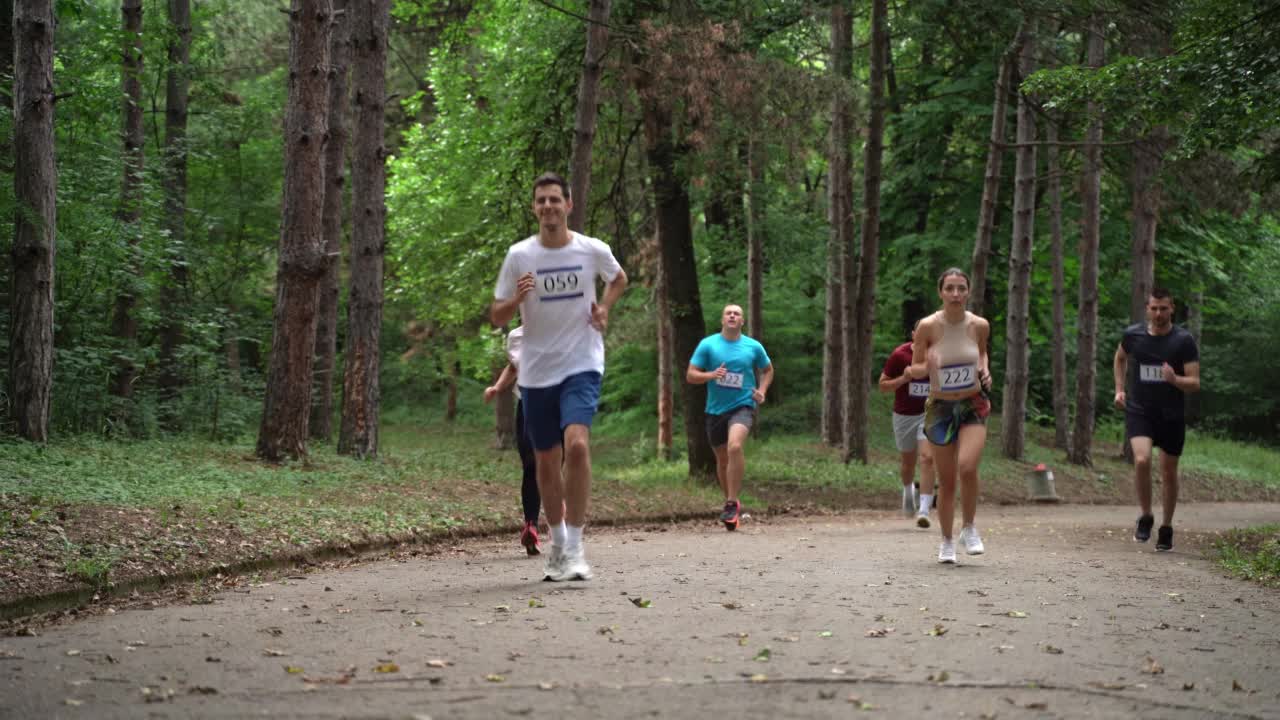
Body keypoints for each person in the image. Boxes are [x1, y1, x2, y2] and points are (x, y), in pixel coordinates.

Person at [491, 172, 627, 582]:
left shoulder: (591, 249)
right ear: (534, 208)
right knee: (546, 462)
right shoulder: (519, 256)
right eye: (541, 201)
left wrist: (605, 306)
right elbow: (496, 315)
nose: (548, 206)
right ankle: (558, 544)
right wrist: (517, 296)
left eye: (555, 200)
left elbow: (618, 278)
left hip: (581, 362)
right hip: (535, 371)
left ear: (568, 205)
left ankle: (577, 545)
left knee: (579, 446)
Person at [909, 268, 993, 564]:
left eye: (961, 288)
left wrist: (985, 370)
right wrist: (928, 364)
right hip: (941, 407)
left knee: (968, 467)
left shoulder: (979, 325)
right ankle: (946, 540)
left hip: (973, 403)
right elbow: (915, 368)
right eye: (950, 288)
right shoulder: (928, 327)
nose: (956, 294)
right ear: (941, 292)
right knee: (947, 481)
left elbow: (981, 354)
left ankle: (969, 528)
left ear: (968, 292)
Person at [1113, 288, 1201, 552]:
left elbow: (1195, 382)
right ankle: (1146, 515)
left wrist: (1175, 380)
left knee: (1168, 471)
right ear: (1147, 309)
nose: (1159, 313)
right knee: (1141, 460)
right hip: (1140, 410)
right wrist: (1119, 389)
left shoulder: (1183, 341)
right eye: (1154, 308)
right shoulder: (1133, 335)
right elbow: (1120, 358)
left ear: (1171, 308)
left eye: (1164, 308)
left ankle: (1166, 526)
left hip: (1171, 415)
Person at [686, 304, 774, 531]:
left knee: (735, 447)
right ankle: (731, 505)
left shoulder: (753, 347)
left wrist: (762, 391)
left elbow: (768, 370)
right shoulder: (708, 345)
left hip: (743, 405)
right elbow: (691, 375)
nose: (732, 316)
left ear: (742, 321)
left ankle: (732, 502)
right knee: (722, 460)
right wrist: (711, 375)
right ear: (722, 320)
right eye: (728, 313)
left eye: (737, 313)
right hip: (715, 409)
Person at [483, 326, 542, 556]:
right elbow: (514, 366)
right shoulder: (516, 336)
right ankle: (531, 526)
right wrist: (497, 387)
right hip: (527, 403)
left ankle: (562, 525)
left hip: (555, 402)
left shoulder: (557, 323)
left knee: (552, 464)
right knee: (530, 464)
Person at [878, 320, 936, 528]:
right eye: (920, 333)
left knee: (928, 458)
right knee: (908, 463)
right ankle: (908, 489)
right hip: (904, 416)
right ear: (913, 334)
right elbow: (883, 386)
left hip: (930, 414)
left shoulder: (938, 355)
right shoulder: (899, 355)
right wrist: (903, 379)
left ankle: (924, 510)